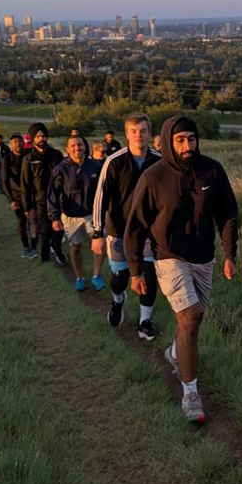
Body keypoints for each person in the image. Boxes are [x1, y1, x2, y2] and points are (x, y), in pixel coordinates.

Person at [126, 116, 238, 423]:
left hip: (204, 258)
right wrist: (135, 270)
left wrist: (230, 254)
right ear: (167, 141)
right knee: (189, 318)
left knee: (196, 317)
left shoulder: (212, 170)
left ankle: (176, 354)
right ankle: (191, 394)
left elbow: (228, 213)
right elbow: (135, 226)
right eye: (180, 140)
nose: (187, 146)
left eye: (191, 139)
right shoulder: (153, 177)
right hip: (168, 256)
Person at [91, 113, 162, 339]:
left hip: (150, 233)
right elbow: (100, 197)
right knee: (120, 278)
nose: (138, 135)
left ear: (149, 133)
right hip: (119, 231)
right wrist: (96, 233)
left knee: (149, 274)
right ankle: (118, 300)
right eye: (133, 131)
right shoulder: (114, 162)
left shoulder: (160, 161)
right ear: (127, 134)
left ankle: (145, 321)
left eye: (142, 131)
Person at [48, 134, 107, 291]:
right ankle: (80, 277)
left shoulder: (95, 167)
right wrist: (54, 217)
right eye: (73, 145)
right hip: (70, 217)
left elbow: (104, 191)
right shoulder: (60, 169)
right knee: (75, 248)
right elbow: (53, 193)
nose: (77, 148)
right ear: (67, 149)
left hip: (92, 214)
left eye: (79, 144)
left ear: (85, 147)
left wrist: (106, 211)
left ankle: (96, 275)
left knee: (99, 246)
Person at [20, 123, 63, 263]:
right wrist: (27, 206)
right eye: (38, 136)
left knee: (59, 229)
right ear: (33, 139)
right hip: (40, 200)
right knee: (44, 230)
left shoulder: (57, 155)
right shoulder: (28, 159)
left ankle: (56, 249)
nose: (41, 139)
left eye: (43, 135)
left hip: (59, 199)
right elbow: (25, 184)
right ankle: (45, 259)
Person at [1, 132, 35, 257]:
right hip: (17, 195)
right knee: (21, 221)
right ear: (10, 144)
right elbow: (4, 181)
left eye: (19, 141)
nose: (17, 144)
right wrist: (11, 200)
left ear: (23, 143)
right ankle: (26, 247)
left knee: (35, 219)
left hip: (32, 193)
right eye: (14, 141)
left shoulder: (30, 155)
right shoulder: (7, 159)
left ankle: (36, 245)